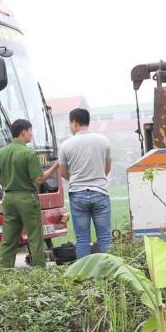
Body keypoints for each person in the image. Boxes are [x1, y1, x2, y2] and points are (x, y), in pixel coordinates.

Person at [0, 119, 59, 268]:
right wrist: (55, 166)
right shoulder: (29, 153)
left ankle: (4, 271)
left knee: (8, 238)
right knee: (35, 236)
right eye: (30, 131)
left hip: (8, 198)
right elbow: (39, 179)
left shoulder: (0, 153)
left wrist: (10, 180)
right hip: (27, 198)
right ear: (23, 132)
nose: (31, 134)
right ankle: (39, 271)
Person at [59, 108, 112, 259]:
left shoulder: (66, 145)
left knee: (82, 239)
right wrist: (96, 178)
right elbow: (107, 168)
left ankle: (85, 276)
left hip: (77, 195)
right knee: (105, 238)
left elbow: (63, 172)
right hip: (100, 193)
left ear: (74, 122)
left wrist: (77, 179)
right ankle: (108, 272)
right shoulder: (103, 140)